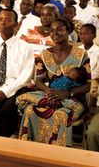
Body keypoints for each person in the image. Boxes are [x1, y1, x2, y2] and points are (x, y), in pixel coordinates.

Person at [17, 18, 91, 146]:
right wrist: (50, 93)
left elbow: (88, 85)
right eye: (52, 30)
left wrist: (68, 93)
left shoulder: (81, 54)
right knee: (30, 109)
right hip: (50, 96)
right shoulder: (44, 54)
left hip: (74, 99)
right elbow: (39, 81)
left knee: (60, 115)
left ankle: (58, 155)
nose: (55, 33)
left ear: (69, 31)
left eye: (60, 30)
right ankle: (29, 149)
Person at [78, 24, 99, 104]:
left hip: (91, 80)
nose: (83, 36)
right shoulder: (78, 49)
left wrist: (87, 77)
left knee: (89, 91)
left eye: (86, 34)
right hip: (77, 78)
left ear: (94, 36)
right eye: (81, 33)